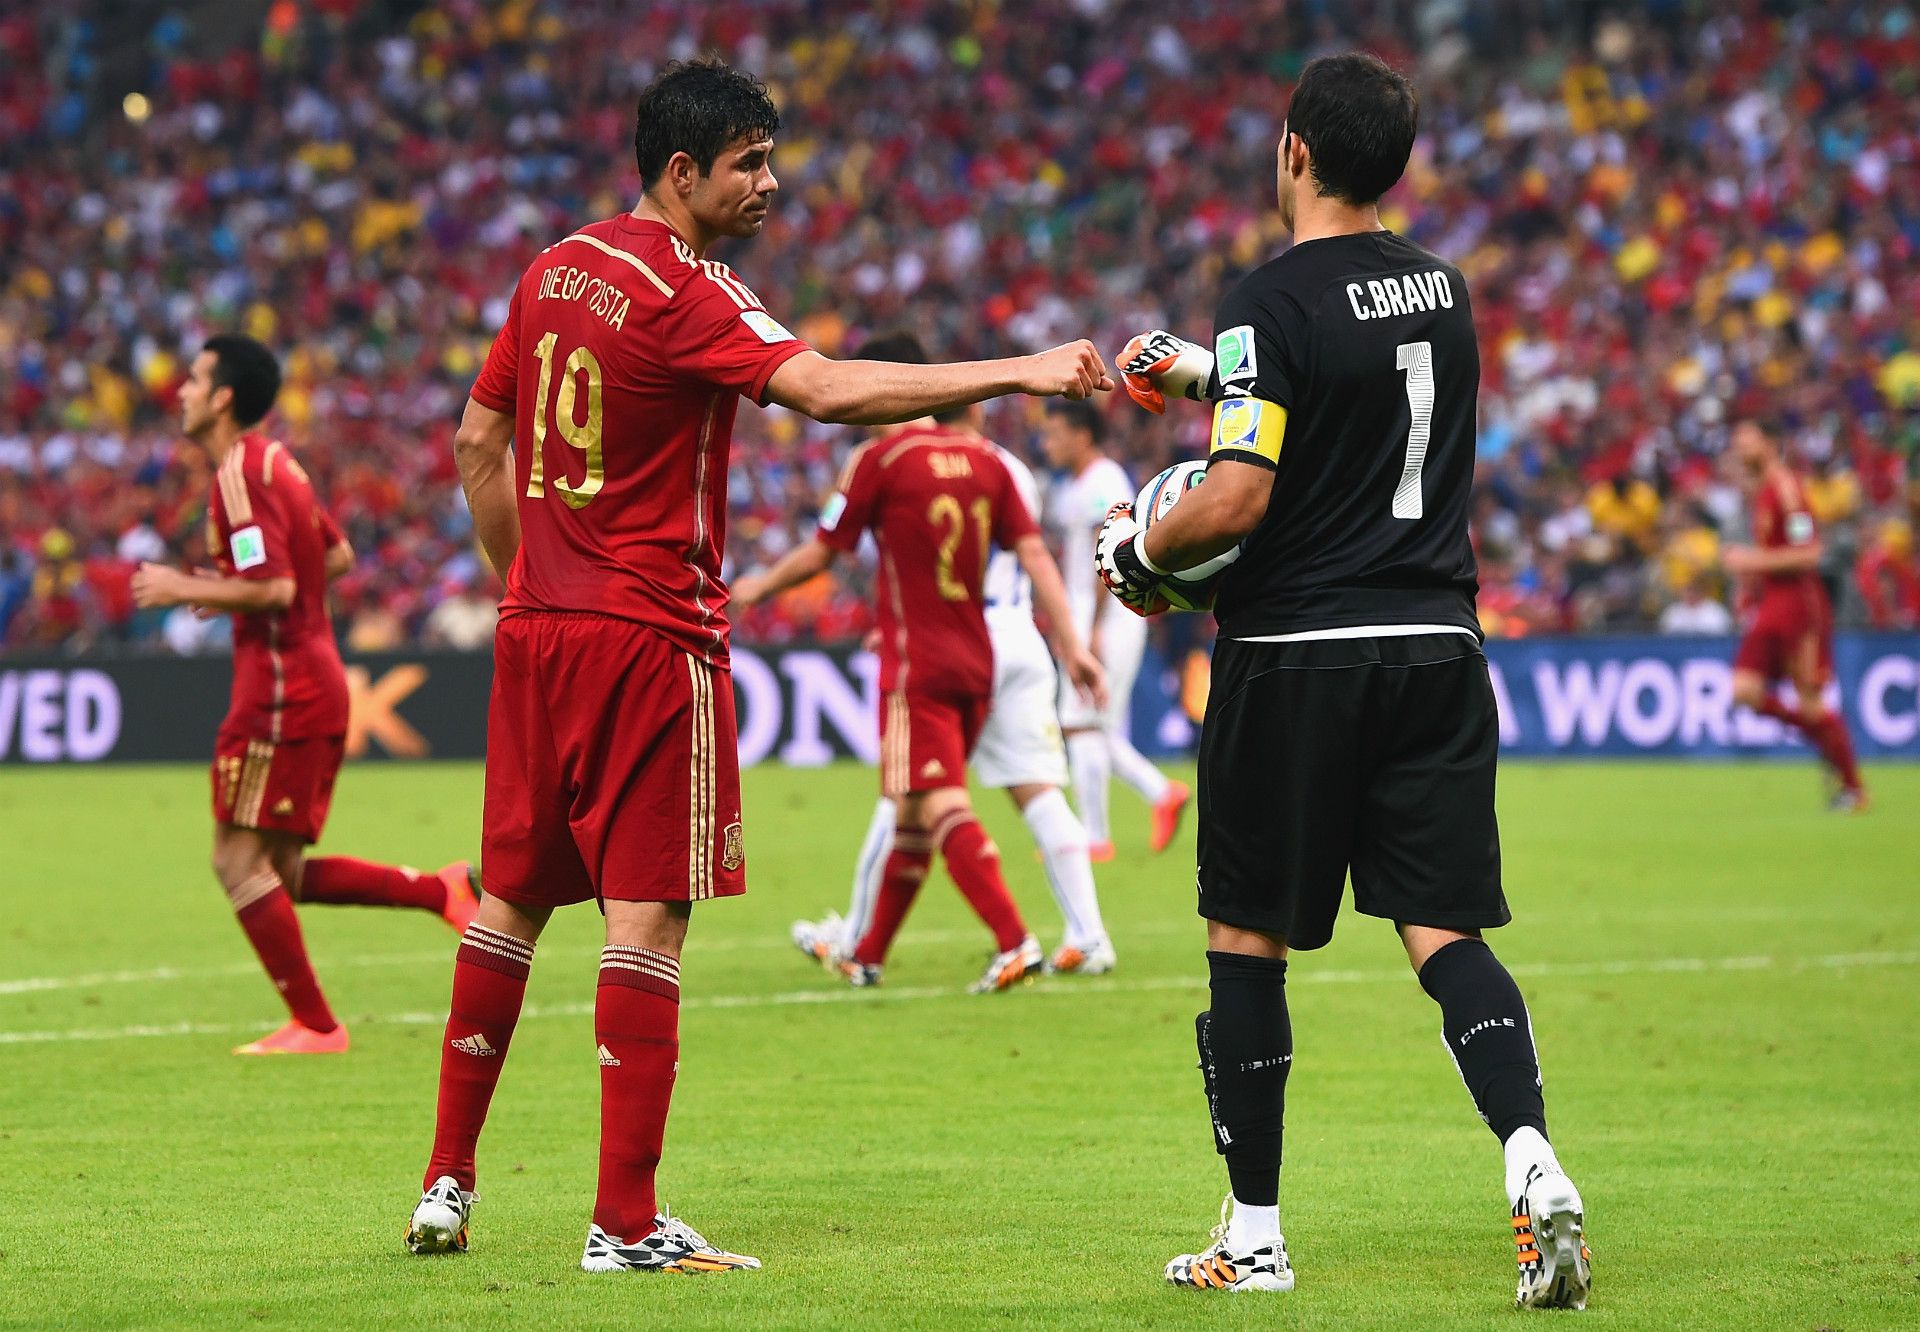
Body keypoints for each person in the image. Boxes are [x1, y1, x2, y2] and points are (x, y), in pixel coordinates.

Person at [402, 58, 1111, 1274]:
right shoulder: (687, 291)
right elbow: (827, 390)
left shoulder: (552, 267)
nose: (771, 184)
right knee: (647, 921)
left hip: (537, 633)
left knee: (511, 902)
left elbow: (478, 435)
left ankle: (444, 1187)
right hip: (646, 642)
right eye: (750, 163)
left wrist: (535, 576)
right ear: (683, 173)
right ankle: (624, 1224)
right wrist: (1020, 368)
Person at [1096, 53, 1590, 1309]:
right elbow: (1361, 393)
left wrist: (1138, 553)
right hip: (1437, 648)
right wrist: (1206, 375)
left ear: (1296, 151)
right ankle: (1533, 1166)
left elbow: (1241, 496)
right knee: (1443, 931)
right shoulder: (1447, 288)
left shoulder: (1269, 296)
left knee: (1245, 939)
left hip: (1297, 654)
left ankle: (1252, 1234)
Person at [130, 335, 480, 1057]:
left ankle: (318, 1026)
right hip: (311, 678)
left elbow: (278, 585)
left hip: (281, 690)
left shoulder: (238, 473)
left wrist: (185, 585)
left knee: (235, 861)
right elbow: (336, 554)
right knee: (279, 871)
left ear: (224, 395)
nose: (184, 391)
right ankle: (439, 889)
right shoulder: (277, 463)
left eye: (195, 379)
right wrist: (233, 589)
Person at [735, 334, 1107, 992]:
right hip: (984, 655)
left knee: (935, 801)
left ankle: (1012, 939)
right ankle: (866, 952)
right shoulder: (990, 464)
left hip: (917, 664)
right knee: (914, 807)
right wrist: (1073, 643)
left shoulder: (881, 460)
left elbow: (825, 553)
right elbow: (1037, 555)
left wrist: (759, 587)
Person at [1040, 401, 1191, 860]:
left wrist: (1093, 627)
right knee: (1091, 725)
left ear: (1082, 435)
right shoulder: (1076, 486)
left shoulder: (1105, 482)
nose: (1048, 443)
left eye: (1056, 433)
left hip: (1106, 610)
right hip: (1089, 610)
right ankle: (1160, 793)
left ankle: (1094, 837)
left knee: (1081, 723)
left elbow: (1109, 552)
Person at [1719, 420, 1867, 810]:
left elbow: (1810, 551)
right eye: (1736, 441)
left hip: (1800, 603)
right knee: (1744, 690)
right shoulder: (1761, 492)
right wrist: (1751, 581)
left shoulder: (1787, 488)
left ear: (1769, 443)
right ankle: (1824, 742)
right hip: (1773, 601)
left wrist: (1752, 559)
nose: (1739, 447)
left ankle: (1853, 788)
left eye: (1746, 438)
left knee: (1810, 699)